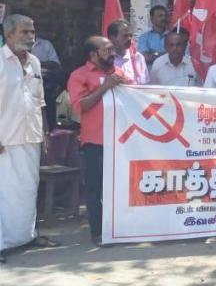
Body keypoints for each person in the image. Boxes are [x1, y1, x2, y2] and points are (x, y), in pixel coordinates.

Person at [0, 15, 57, 262]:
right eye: (24, 32)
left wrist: (44, 132)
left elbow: (40, 100)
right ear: (9, 35)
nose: (30, 36)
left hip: (30, 136)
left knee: (27, 190)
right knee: (4, 192)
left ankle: (25, 236)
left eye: (32, 31)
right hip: (5, 138)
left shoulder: (34, 62)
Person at [67, 36, 132, 245]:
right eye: (107, 50)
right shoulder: (79, 75)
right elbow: (81, 106)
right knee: (95, 188)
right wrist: (105, 88)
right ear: (93, 55)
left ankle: (119, 228)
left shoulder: (118, 73)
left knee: (120, 187)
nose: (113, 53)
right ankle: (97, 232)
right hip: (95, 141)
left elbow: (137, 97)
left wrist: (127, 86)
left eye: (113, 49)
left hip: (121, 141)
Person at [108, 19, 149, 84]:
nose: (129, 39)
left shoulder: (138, 57)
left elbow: (145, 85)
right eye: (125, 36)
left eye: (130, 35)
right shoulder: (106, 59)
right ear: (112, 38)